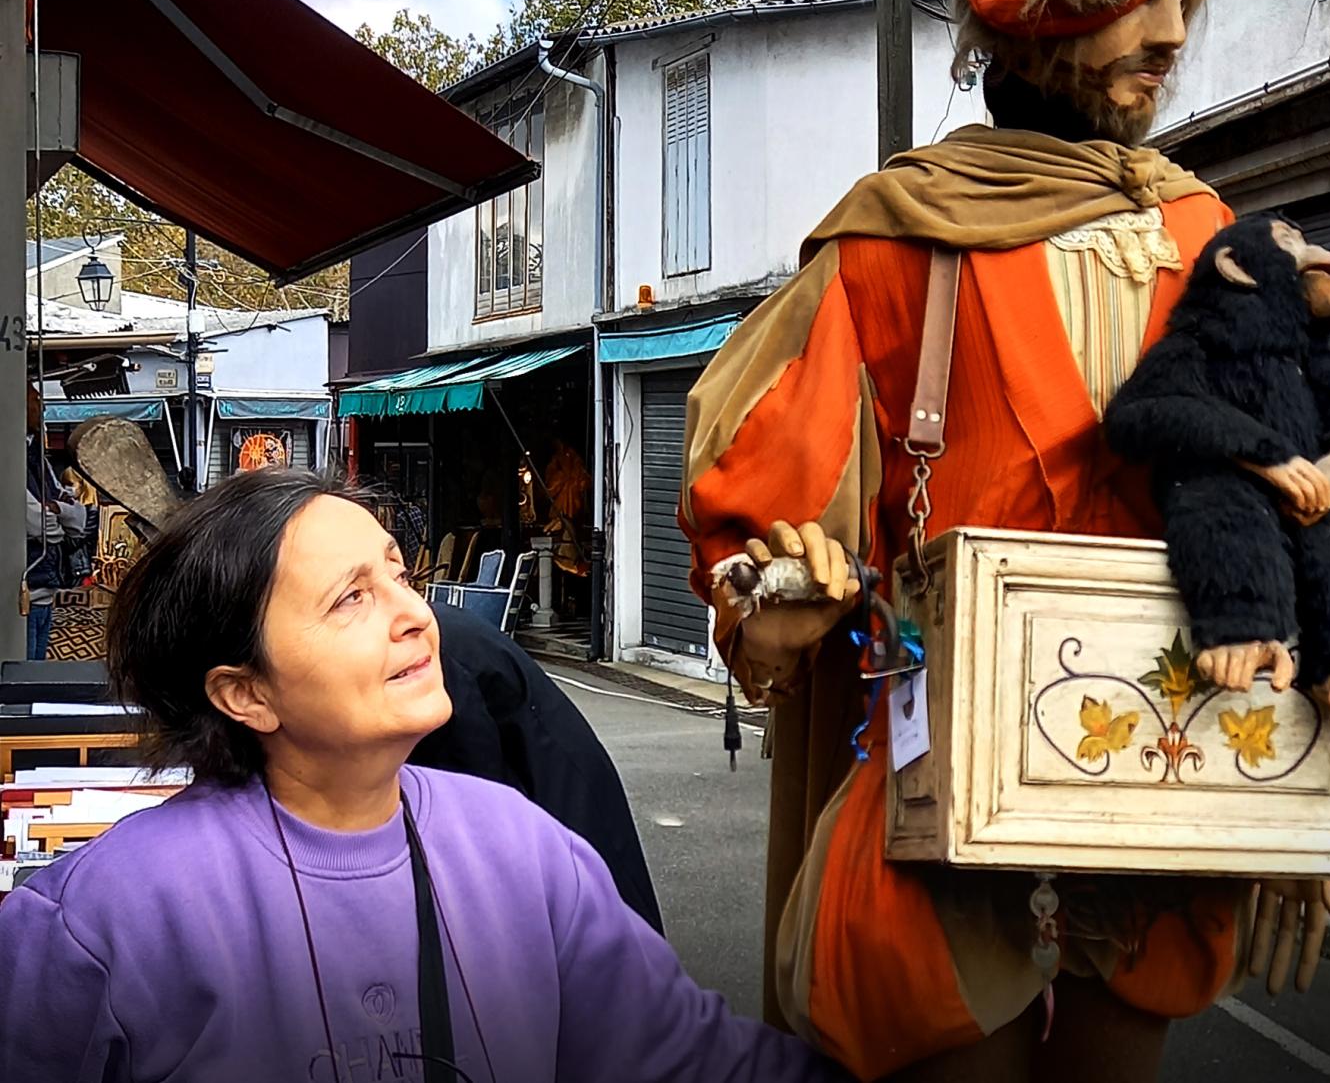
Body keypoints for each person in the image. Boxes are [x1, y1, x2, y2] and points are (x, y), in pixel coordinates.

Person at [678, 0, 1330, 1083]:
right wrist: (769, 604)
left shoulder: (1216, 237)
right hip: (943, 796)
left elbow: (1306, 503)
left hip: (1171, 781)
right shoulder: (892, 239)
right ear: (1042, 16)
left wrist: (1312, 801)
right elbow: (764, 539)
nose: (1175, 33)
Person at [0, 470, 841, 1083]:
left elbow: (694, 1062)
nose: (414, 614)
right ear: (246, 692)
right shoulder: (95, 924)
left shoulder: (523, 851)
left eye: (399, 574)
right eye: (350, 599)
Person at [414, 598, 666, 932]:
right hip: (548, 767)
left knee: (599, 917)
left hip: (548, 784)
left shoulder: (427, 654)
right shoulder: (426, 633)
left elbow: (473, 795)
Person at [23, 387, 86, 662]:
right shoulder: (13, 460)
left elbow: (79, 519)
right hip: (27, 589)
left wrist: (59, 509)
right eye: (35, 400)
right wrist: (61, 519)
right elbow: (38, 523)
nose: (42, 406)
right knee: (23, 680)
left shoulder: (37, 457)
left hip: (45, 589)